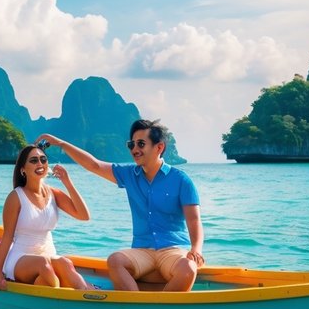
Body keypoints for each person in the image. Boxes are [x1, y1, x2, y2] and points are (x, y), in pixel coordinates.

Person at [35, 120, 204, 292]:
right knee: (115, 261)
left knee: (188, 269)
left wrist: (196, 250)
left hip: (173, 250)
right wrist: (61, 144)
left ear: (159, 148)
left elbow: (194, 220)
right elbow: (94, 165)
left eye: (141, 144)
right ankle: (136, 307)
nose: (134, 150)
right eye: (131, 144)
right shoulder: (129, 174)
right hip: (142, 251)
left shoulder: (181, 180)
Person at [0, 142, 92, 291]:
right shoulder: (16, 197)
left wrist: (67, 182)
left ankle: (89, 296)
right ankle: (58, 296)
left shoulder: (53, 193)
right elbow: (7, 236)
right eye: (33, 160)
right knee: (44, 265)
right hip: (20, 258)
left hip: (48, 255)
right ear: (23, 170)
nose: (40, 163)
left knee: (65, 263)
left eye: (43, 159)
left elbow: (84, 215)